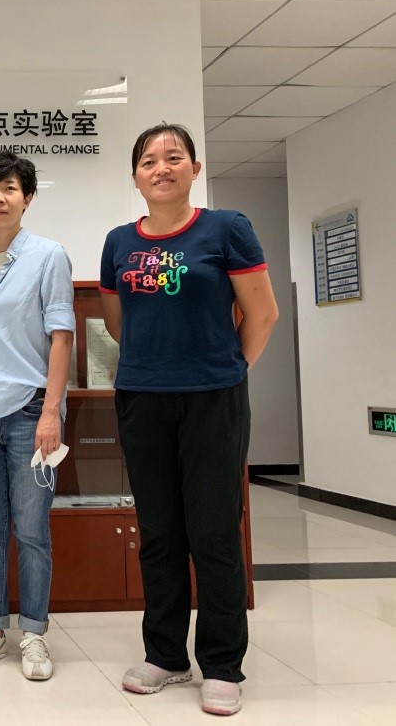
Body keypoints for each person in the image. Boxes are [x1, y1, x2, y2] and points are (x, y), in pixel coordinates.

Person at [99, 124, 278, 716]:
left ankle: (222, 664)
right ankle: (165, 654)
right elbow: (118, 322)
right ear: (136, 177)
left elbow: (262, 314)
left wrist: (226, 370)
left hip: (212, 400)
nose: (162, 168)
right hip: (142, 398)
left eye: (174, 157)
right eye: (149, 161)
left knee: (214, 532)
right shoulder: (119, 241)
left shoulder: (226, 228)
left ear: (194, 169)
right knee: (159, 533)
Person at [0, 151, 74, 680]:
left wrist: (51, 413)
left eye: (7, 188)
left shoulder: (48, 256)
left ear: (27, 197)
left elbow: (61, 337)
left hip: (28, 412)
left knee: (31, 531)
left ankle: (34, 634)